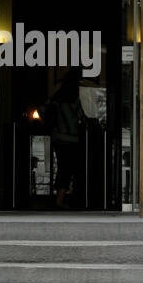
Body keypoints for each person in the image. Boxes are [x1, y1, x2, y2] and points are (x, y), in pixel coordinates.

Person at [47, 68, 86, 208]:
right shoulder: (75, 96)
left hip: (57, 136)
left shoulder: (57, 95)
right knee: (69, 168)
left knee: (63, 166)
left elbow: (42, 109)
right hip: (71, 138)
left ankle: (60, 197)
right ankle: (60, 199)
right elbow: (82, 116)